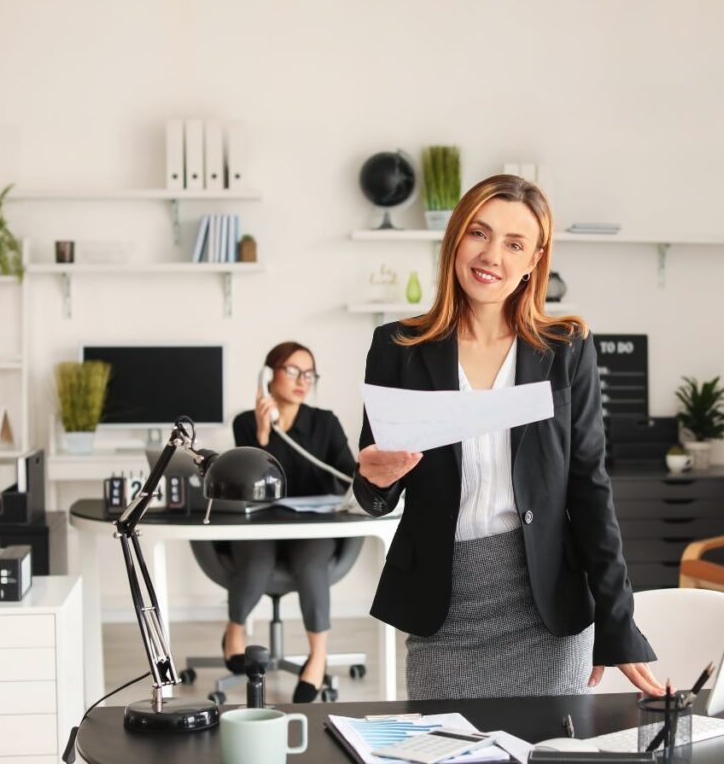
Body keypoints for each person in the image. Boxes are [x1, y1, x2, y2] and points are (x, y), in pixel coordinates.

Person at [352, 174, 663, 700]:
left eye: (514, 244)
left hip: (545, 609)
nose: (491, 255)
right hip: (444, 612)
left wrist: (618, 624)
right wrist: (375, 480)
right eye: (479, 233)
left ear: (534, 261)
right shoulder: (398, 347)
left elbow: (590, 489)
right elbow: (375, 488)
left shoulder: (567, 350)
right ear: (455, 238)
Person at [225, 340, 357, 702]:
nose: (304, 380)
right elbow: (249, 485)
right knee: (255, 562)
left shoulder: (325, 423)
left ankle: (318, 655)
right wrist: (264, 436)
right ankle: (234, 630)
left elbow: (349, 477)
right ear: (269, 376)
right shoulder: (245, 423)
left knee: (311, 564)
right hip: (262, 526)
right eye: (293, 371)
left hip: (312, 528)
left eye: (310, 373)